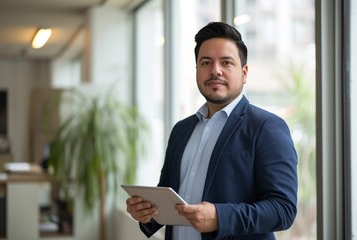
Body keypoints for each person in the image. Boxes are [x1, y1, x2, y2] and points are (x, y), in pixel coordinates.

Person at [126, 21, 298, 240]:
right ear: (197, 70)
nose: (215, 70)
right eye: (206, 62)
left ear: (244, 73)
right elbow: (169, 197)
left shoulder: (267, 127)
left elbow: (283, 209)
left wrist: (220, 217)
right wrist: (146, 214)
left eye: (226, 63)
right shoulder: (181, 130)